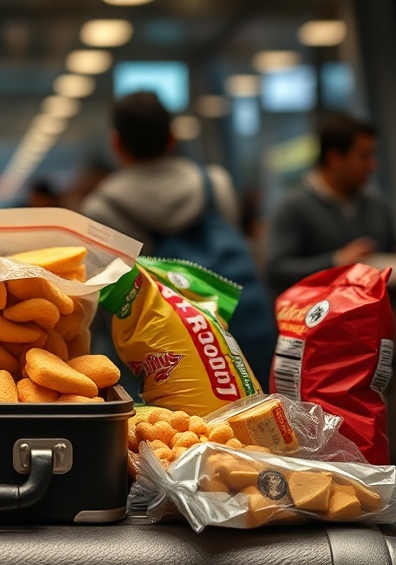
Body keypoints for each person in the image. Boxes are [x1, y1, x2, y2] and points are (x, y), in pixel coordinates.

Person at [81, 90, 276, 384]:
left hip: (157, 366)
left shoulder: (99, 209)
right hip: (230, 347)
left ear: (117, 144)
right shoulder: (216, 184)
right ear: (172, 138)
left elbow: (97, 300)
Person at [265, 112, 396, 295]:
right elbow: (275, 271)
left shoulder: (377, 204)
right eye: (364, 156)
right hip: (320, 319)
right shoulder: (293, 207)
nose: (373, 165)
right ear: (335, 158)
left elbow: (394, 246)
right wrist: (335, 262)